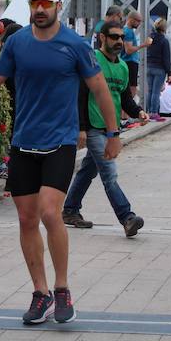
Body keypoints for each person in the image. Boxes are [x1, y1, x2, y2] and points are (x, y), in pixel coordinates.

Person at [0, 0, 118, 326]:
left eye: (46, 3)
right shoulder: (16, 43)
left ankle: (62, 288)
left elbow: (100, 89)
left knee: (50, 213)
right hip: (23, 143)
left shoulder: (74, 45)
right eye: (34, 4)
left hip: (61, 142)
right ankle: (39, 293)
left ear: (58, 5)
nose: (39, 9)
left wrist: (112, 132)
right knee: (27, 218)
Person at [62, 21, 148, 236]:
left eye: (121, 37)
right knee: (109, 173)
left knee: (88, 170)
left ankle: (70, 209)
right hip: (93, 126)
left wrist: (138, 112)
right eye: (114, 37)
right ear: (102, 37)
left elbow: (125, 98)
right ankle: (127, 217)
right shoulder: (91, 61)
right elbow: (80, 96)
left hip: (111, 129)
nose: (119, 41)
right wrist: (81, 128)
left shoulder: (123, 67)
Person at [121, 11, 152, 100]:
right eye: (137, 21)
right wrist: (144, 44)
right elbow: (129, 50)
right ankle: (126, 113)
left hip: (127, 62)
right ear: (130, 19)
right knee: (131, 91)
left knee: (128, 92)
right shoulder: (129, 32)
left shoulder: (125, 30)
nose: (139, 23)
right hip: (130, 62)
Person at [145, 18, 170, 122]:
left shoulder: (150, 38)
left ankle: (148, 112)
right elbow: (166, 58)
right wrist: (169, 71)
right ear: (164, 28)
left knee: (150, 91)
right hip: (159, 68)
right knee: (156, 92)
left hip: (149, 66)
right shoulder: (164, 40)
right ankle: (154, 113)